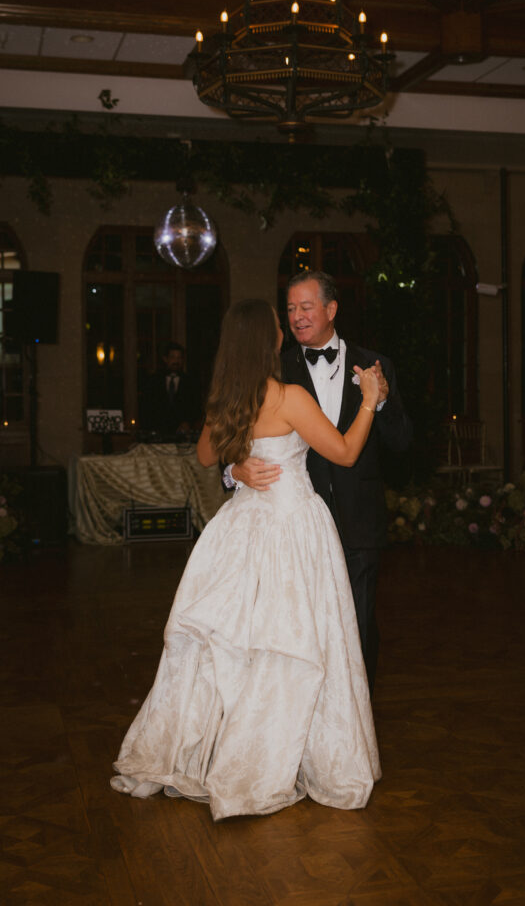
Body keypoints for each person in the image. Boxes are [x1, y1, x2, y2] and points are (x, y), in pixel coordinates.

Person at [111, 299, 382, 819]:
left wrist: (238, 466)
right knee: (290, 641)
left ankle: (222, 745)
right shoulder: (290, 397)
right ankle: (268, 755)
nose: (284, 329)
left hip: (240, 528)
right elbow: (345, 452)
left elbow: (206, 456)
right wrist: (367, 399)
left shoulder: (227, 398)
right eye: (278, 325)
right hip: (292, 529)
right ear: (268, 340)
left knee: (240, 643)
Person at [229, 271, 412, 692]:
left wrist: (379, 402)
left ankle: (354, 726)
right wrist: (234, 471)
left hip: (358, 522)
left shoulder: (374, 364)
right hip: (294, 529)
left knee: (359, 625)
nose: (296, 317)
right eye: (290, 309)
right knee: (299, 628)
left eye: (306, 307)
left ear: (331, 310)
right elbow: (231, 442)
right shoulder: (273, 369)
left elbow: (403, 443)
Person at [139, 341, 201, 436]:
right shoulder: (153, 381)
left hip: (183, 435)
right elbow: (147, 408)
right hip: (157, 434)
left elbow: (196, 408)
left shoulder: (191, 382)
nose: (176, 361)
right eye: (173, 357)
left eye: (179, 358)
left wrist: (188, 423)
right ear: (165, 359)